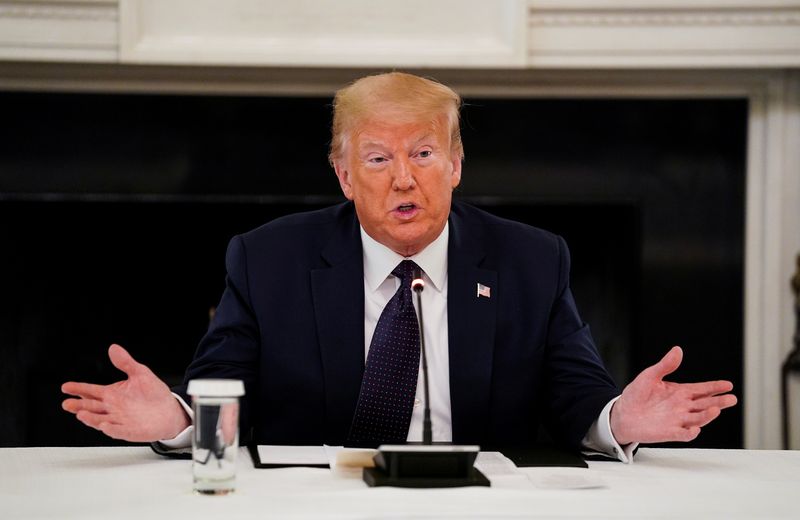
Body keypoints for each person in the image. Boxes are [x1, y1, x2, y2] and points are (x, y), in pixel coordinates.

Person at [61, 72, 737, 461]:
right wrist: (179, 421)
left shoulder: (531, 260)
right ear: (345, 174)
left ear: (458, 164)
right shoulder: (268, 259)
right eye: (379, 160)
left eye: (423, 154)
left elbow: (576, 397)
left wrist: (623, 421)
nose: (404, 181)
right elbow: (221, 393)